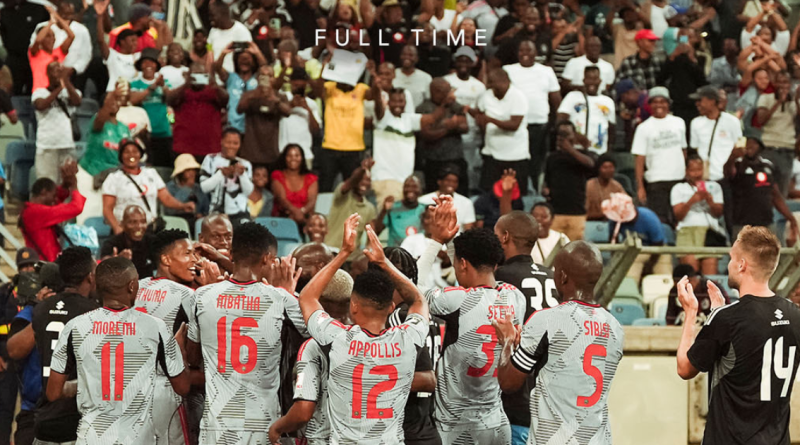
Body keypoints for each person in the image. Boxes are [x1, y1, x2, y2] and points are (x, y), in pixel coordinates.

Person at [297, 214, 431, 443]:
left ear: (353, 305)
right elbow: (418, 300)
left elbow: (307, 297)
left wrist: (344, 252)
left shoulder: (337, 338)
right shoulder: (408, 339)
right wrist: (384, 263)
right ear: (391, 307)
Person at [676, 225, 800, 444]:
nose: (729, 264)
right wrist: (718, 315)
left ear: (742, 265)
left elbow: (685, 368)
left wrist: (690, 313)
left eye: (732, 258)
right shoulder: (795, 314)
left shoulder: (728, 318)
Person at [45, 257, 190, 444]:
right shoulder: (155, 327)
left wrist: (83, 385)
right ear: (131, 286)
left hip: (92, 437)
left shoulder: (75, 326)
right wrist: (181, 353)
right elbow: (183, 387)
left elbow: (53, 393)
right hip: (137, 438)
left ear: (97, 285)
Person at [187, 222, 307, 443]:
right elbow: (318, 337)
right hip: (263, 424)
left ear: (231, 254)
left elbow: (192, 358)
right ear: (267, 258)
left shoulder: (201, 296)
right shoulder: (281, 299)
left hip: (217, 424)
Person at [494, 241, 624, 444]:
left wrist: (507, 342)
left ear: (562, 276)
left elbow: (509, 383)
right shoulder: (615, 327)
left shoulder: (546, 321)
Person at [416, 205, 524, 444]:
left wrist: (436, 241)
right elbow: (473, 292)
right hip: (497, 422)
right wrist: (454, 242)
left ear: (463, 263)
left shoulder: (456, 300)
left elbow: (416, 290)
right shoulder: (515, 297)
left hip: (457, 427)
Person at [493, 210, 558, 444]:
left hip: (515, 392)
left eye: (495, 235)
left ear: (505, 237)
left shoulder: (500, 277)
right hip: (551, 396)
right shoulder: (553, 276)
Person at [267, 269, 353, 444]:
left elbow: (303, 411)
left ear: (318, 300)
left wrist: (277, 428)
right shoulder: (371, 338)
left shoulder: (313, 343)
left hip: (319, 437)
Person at [135, 229, 201, 444]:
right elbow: (194, 358)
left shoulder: (135, 287)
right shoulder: (188, 295)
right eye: (187, 254)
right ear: (166, 259)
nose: (195, 260)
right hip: (169, 389)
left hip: (131, 388)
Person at [30, 247, 99, 445]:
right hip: (76, 423)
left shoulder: (41, 309)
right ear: (90, 277)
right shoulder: (94, 313)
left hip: (44, 420)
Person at [371, 70, 451, 204]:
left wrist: (446, 104)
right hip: (385, 178)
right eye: (394, 101)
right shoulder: (383, 119)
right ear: (388, 102)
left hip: (405, 181)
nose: (398, 104)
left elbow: (432, 118)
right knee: (387, 214)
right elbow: (378, 105)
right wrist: (376, 88)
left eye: (401, 101)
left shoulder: (409, 119)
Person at [501, 41, 560, 192]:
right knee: (516, 160)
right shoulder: (508, 70)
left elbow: (556, 99)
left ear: (536, 53)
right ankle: (514, 191)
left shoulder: (546, 71)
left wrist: (556, 122)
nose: (525, 53)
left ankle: (534, 190)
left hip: (539, 124)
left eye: (529, 50)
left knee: (536, 162)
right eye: (521, 50)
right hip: (515, 125)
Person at [102, 139, 195, 234]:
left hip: (149, 228)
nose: (131, 155)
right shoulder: (113, 178)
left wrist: (183, 206)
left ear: (140, 154)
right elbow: (107, 209)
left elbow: (166, 198)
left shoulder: (151, 173)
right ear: (121, 156)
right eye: (126, 152)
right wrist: (116, 227)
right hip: (125, 230)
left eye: (135, 151)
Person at [724, 136, 799, 242]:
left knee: (771, 250)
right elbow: (729, 173)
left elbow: (775, 195)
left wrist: (790, 218)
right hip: (742, 223)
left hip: (766, 222)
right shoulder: (738, 164)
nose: (750, 146)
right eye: (748, 143)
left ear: (760, 147)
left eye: (754, 143)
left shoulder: (767, 165)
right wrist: (732, 157)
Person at [632, 87, 688, 225]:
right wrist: (640, 187)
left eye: (663, 101)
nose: (659, 105)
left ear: (668, 104)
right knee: (660, 221)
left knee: (679, 220)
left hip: (678, 179)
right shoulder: (643, 128)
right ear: (649, 105)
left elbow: (683, 150)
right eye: (655, 102)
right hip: (656, 181)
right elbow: (639, 160)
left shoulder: (679, 122)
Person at [672, 155, 726, 275]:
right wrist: (692, 200)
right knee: (691, 274)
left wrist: (710, 201)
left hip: (709, 232)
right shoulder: (678, 188)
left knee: (710, 276)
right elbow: (678, 215)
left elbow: (719, 213)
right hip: (687, 231)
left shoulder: (715, 187)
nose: (697, 174)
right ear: (686, 171)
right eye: (693, 170)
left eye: (699, 169)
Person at [544, 120, 596, 242]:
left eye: (566, 134)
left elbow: (591, 164)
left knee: (574, 247)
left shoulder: (582, 155)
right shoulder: (552, 157)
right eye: (560, 134)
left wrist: (570, 149)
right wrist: (545, 189)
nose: (563, 138)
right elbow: (546, 180)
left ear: (574, 135)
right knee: (553, 247)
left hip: (576, 211)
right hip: (556, 211)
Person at [19, 165, 84, 262]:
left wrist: (66, 184)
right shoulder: (37, 212)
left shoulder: (31, 210)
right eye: (53, 196)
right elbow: (77, 207)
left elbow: (59, 197)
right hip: (46, 263)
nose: (55, 199)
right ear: (43, 192)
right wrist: (74, 185)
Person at [32, 61, 81, 182]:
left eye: (61, 71)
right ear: (48, 74)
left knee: (67, 182)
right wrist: (60, 87)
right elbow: (41, 105)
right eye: (55, 70)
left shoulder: (71, 91)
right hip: (46, 146)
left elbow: (77, 101)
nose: (59, 73)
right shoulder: (39, 92)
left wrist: (66, 82)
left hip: (67, 145)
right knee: (47, 183)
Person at [419, 79, 469, 196]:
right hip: (433, 160)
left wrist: (441, 126)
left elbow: (465, 127)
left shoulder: (454, 105)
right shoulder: (423, 107)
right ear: (435, 92)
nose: (450, 94)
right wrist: (449, 127)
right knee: (433, 196)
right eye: (446, 91)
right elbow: (426, 134)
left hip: (455, 158)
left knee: (460, 195)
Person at [169, 61, 229, 158]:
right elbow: (170, 100)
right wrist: (186, 84)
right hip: (184, 147)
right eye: (195, 75)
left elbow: (225, 100)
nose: (198, 78)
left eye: (201, 75)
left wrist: (215, 85)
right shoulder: (183, 91)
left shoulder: (213, 91)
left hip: (210, 147)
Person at [755, 70, 799, 197]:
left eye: (785, 82)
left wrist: (796, 100)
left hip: (786, 150)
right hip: (768, 149)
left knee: (781, 192)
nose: (782, 85)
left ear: (790, 84)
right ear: (774, 84)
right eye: (779, 82)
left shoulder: (795, 102)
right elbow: (761, 120)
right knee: (763, 190)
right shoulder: (765, 98)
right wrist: (778, 102)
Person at [557, 66, 616, 155]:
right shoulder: (572, 97)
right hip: (575, 150)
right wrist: (576, 135)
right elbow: (561, 121)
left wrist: (609, 150)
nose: (592, 82)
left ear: (600, 81)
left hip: (599, 151)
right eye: (589, 79)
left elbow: (611, 128)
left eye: (595, 79)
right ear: (584, 80)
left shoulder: (608, 101)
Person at [130, 48, 174, 167]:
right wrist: (151, 88)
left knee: (165, 166)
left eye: (152, 62)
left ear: (156, 66)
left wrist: (163, 87)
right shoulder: (134, 83)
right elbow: (132, 100)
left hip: (163, 132)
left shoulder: (164, 82)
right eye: (145, 62)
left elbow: (171, 100)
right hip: (144, 133)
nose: (148, 65)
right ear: (140, 66)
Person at [690, 85, 743, 182]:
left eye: (700, 100)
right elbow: (695, 149)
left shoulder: (732, 121)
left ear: (712, 101)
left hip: (726, 176)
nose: (697, 104)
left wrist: (730, 164)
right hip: (704, 177)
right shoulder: (695, 123)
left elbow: (740, 147)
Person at [199, 128, 254, 223]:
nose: (232, 146)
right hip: (216, 212)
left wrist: (242, 175)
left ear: (240, 144)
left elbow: (248, 191)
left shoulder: (245, 164)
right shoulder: (210, 159)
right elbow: (204, 187)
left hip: (241, 213)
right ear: (221, 142)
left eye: (235, 143)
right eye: (228, 142)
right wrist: (221, 174)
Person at [324, 159, 377, 253]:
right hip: (331, 250)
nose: (364, 183)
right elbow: (351, 182)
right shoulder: (342, 196)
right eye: (361, 179)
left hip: (351, 256)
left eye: (368, 180)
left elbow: (371, 233)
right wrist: (363, 169)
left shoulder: (370, 208)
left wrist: (368, 249)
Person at [215, 42, 268, 134]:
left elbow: (265, 68)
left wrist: (257, 52)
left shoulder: (257, 78)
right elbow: (217, 68)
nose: (244, 61)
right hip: (232, 125)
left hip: (251, 126)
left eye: (247, 59)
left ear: (253, 62)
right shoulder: (231, 77)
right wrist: (223, 53)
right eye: (241, 58)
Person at [79, 89, 131, 177]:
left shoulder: (124, 127)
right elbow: (100, 120)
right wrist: (113, 95)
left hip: (114, 174)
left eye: (117, 100)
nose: (114, 103)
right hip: (91, 172)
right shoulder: (97, 120)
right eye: (111, 100)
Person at [100, 205, 154, 279]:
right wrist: (116, 261)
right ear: (122, 224)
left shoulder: (152, 241)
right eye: (133, 222)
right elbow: (103, 264)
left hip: (148, 284)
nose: (139, 226)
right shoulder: (112, 243)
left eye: (143, 222)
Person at [28, 9, 75, 92]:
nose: (52, 39)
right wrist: (50, 23)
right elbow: (38, 40)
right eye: (48, 36)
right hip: (40, 91)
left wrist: (56, 16)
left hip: (58, 91)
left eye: (53, 36)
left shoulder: (59, 52)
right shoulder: (35, 53)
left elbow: (71, 36)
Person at [372, 176, 426, 247]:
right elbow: (377, 230)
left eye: (414, 186)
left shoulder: (424, 210)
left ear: (420, 189)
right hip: (395, 251)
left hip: (417, 251)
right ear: (403, 189)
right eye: (407, 186)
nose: (410, 189)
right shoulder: (393, 207)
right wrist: (384, 210)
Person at [271, 144, 318, 223]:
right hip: (283, 217)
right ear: (284, 158)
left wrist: (301, 212)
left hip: (305, 218)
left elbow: (312, 201)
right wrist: (295, 212)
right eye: (289, 156)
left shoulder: (311, 178)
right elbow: (281, 199)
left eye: (297, 155)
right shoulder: (277, 175)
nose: (293, 158)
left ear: (302, 158)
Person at [420, 167, 476, 231]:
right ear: (439, 182)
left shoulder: (466, 203)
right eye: (448, 181)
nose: (451, 184)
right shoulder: (423, 200)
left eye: (455, 181)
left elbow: (468, 229)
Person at [165, 154, 211, 231]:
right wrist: (187, 188)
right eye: (188, 170)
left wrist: (200, 214)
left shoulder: (198, 188)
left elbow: (206, 208)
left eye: (193, 170)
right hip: (176, 223)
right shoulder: (169, 187)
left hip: (196, 223)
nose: (191, 173)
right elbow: (169, 210)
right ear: (180, 172)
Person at [207, 1, 253, 74]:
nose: (210, 19)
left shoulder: (241, 31)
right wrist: (211, 75)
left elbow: (247, 58)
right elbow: (209, 51)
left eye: (213, 16)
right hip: (216, 77)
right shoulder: (212, 31)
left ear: (223, 14)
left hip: (234, 77)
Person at [586, 155, 627, 221]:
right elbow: (583, 212)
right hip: (591, 222)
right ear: (598, 169)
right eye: (605, 167)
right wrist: (602, 214)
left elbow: (626, 207)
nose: (608, 170)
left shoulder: (617, 186)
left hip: (612, 221)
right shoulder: (589, 185)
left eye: (611, 167)